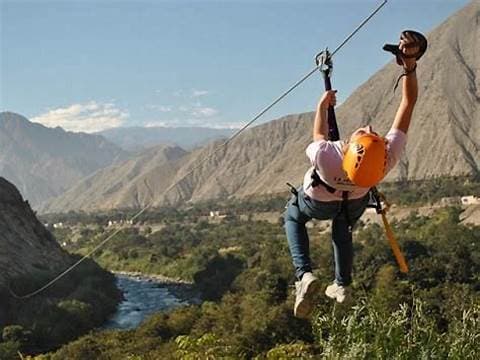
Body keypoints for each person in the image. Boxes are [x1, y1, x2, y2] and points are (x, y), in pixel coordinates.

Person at [284, 31, 421, 319]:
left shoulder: (327, 154)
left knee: (293, 215)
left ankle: (304, 274)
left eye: (364, 133)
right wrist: (409, 64)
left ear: (348, 148)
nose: (370, 127)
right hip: (352, 202)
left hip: (317, 201)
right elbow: (408, 103)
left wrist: (322, 105)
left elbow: (319, 133)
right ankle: (342, 285)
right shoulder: (386, 159)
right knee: (342, 228)